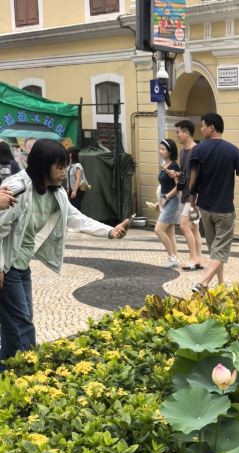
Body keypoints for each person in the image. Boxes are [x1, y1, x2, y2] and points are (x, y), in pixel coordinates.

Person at [0, 139, 129, 368]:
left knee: (19, 321)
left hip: (21, 266)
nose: (64, 172)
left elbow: (76, 218)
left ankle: (9, 370)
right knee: (21, 323)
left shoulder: (56, 192)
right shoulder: (17, 187)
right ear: (43, 165)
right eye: (59, 167)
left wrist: (110, 231)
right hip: (6, 267)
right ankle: (27, 371)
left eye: (65, 166)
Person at [188, 112, 239, 292]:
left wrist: (192, 204)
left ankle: (221, 285)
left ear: (212, 128)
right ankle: (203, 284)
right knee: (220, 251)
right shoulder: (233, 151)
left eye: (203, 125)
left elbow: (192, 181)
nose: (201, 129)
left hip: (205, 209)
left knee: (215, 251)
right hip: (225, 210)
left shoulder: (197, 150)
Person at [169, 119, 204, 271]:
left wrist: (195, 198)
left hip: (194, 196)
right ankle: (199, 259)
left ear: (186, 133)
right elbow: (185, 174)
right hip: (186, 194)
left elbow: (200, 176)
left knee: (184, 225)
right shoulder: (183, 152)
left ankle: (193, 258)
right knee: (194, 227)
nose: (177, 135)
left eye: (178, 132)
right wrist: (177, 174)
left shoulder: (197, 150)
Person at [154, 138, 181, 268]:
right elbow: (164, 185)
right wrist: (159, 201)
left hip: (172, 201)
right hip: (165, 201)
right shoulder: (164, 164)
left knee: (158, 229)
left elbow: (178, 187)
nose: (160, 151)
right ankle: (174, 258)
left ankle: (171, 257)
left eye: (163, 149)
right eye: (160, 148)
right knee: (170, 232)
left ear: (170, 152)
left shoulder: (174, 167)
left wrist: (166, 197)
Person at [67, 147, 87, 211]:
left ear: (71, 154)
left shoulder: (77, 166)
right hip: (72, 189)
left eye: (68, 153)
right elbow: (69, 179)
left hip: (79, 189)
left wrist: (74, 191)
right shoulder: (70, 166)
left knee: (74, 207)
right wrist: (68, 189)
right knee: (75, 207)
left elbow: (78, 179)